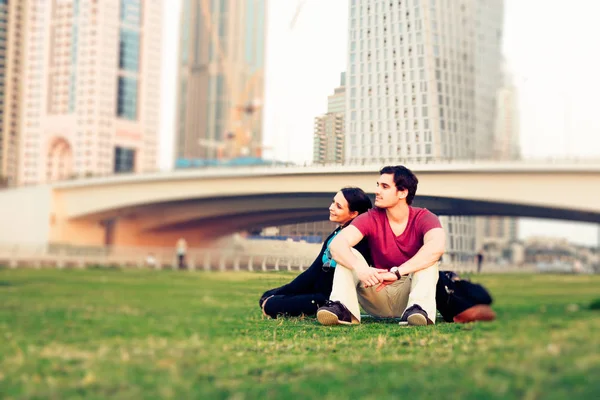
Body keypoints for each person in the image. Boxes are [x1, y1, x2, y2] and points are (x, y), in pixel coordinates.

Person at [316, 165, 446, 326]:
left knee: (428, 259)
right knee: (350, 254)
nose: (377, 191)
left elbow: (437, 246)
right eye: (378, 185)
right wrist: (361, 268)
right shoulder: (371, 217)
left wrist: (397, 272)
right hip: (376, 290)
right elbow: (337, 245)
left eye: (384, 187)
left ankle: (419, 310)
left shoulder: (424, 217)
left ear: (402, 192)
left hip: (408, 292)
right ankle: (343, 310)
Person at [259, 187, 373, 318]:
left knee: (270, 304)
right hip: (315, 291)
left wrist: (279, 297)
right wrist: (283, 291)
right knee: (267, 296)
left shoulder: (358, 240)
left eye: (338, 206)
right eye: (333, 202)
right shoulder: (336, 234)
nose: (331, 207)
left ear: (354, 214)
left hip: (328, 299)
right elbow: (313, 272)